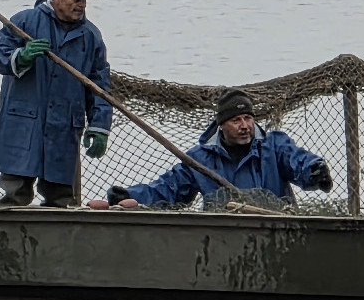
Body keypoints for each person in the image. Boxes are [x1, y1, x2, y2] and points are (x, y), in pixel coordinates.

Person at [0, 0, 111, 206]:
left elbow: (99, 86)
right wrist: (21, 57)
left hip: (64, 125)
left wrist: (99, 126)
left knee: (62, 197)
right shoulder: (24, 22)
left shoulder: (91, 36)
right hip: (24, 123)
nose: (81, 4)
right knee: (15, 192)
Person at [105, 88, 333, 209]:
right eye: (236, 120)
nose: (245, 126)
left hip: (275, 227)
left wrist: (315, 171)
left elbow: (298, 161)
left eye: (248, 118)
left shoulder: (274, 145)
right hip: (224, 235)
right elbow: (168, 190)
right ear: (221, 125)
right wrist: (131, 196)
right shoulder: (199, 159)